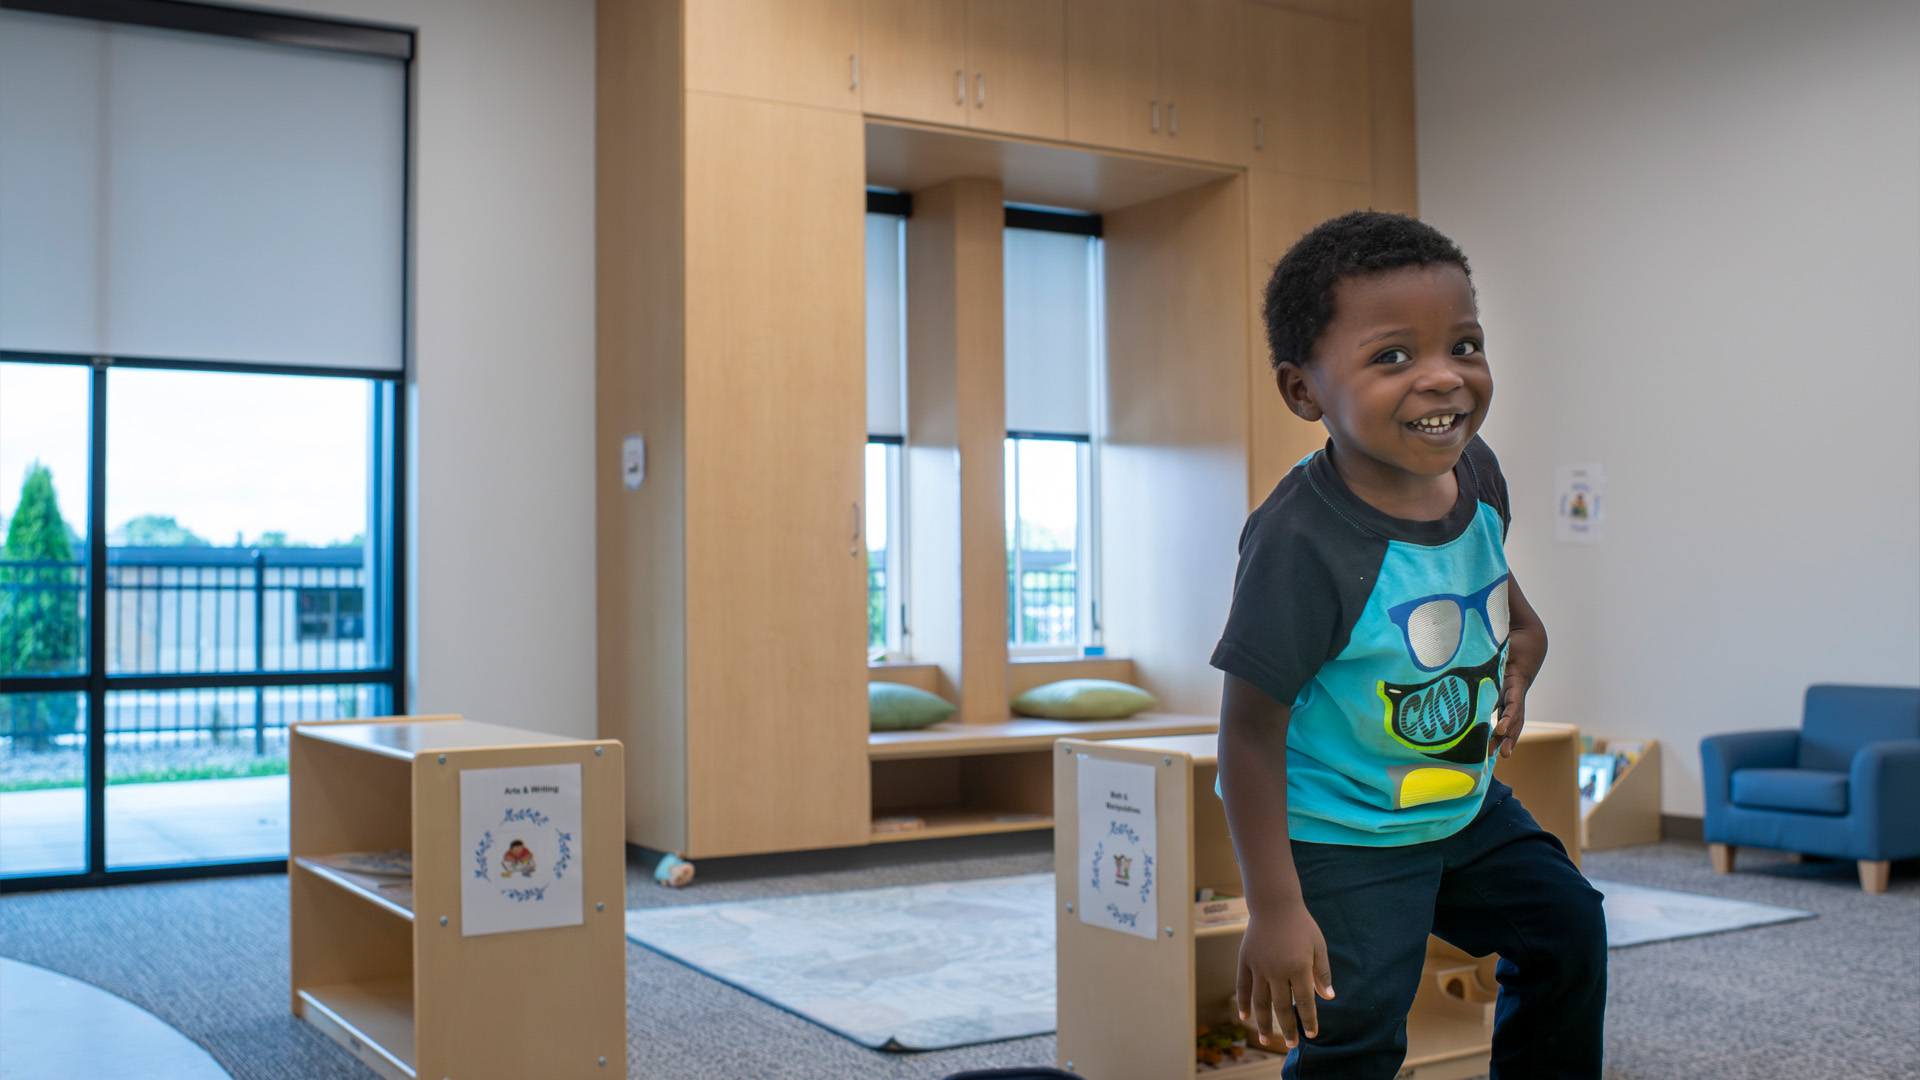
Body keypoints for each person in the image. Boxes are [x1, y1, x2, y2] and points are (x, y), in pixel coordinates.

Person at [1213, 211, 1606, 1079]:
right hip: (1346, 828)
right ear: (1303, 391)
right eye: (1393, 357)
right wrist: (1273, 908)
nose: (1444, 379)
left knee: (1567, 929)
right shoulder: (1299, 544)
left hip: (1461, 806)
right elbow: (1246, 733)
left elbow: (1502, 598)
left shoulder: (1475, 472)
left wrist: (1527, 649)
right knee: (1357, 1034)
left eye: (1463, 345)